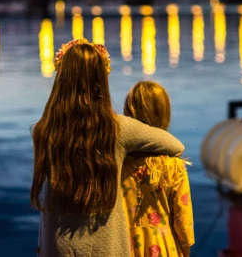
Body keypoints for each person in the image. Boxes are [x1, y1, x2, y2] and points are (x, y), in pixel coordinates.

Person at [31, 39, 185, 256]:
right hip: (106, 249)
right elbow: (175, 146)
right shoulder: (118, 129)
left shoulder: (43, 130)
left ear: (61, 79)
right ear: (100, 81)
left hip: (56, 247)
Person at [121, 81, 194, 257]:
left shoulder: (117, 165)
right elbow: (183, 225)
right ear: (164, 114)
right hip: (163, 248)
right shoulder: (174, 167)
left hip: (121, 246)